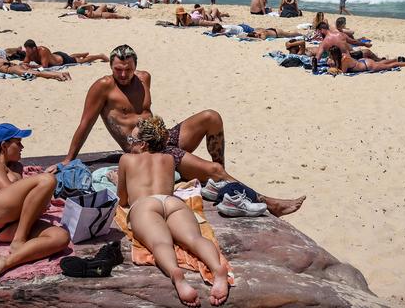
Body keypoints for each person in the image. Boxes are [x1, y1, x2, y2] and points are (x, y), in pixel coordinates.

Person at [49, 45, 305, 217]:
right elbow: (85, 124)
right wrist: (68, 159)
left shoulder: (144, 78)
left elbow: (146, 113)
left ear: (136, 66)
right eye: (118, 69)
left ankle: (215, 184)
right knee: (215, 171)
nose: (124, 74)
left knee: (211, 117)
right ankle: (268, 202)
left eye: (128, 69)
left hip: (163, 138)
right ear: (111, 67)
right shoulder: (102, 88)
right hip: (144, 150)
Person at [113, 116, 229, 307]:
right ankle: (218, 269)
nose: (129, 145)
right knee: (194, 239)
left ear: (142, 145)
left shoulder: (126, 159)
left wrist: (116, 179)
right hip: (172, 203)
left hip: (145, 206)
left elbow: (123, 199)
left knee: (160, 243)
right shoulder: (168, 159)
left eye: (132, 141)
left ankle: (177, 275)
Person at [0, 123, 70, 281]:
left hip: (7, 227)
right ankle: (19, 240)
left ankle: (6, 262)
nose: (22, 147)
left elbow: (21, 198)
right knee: (47, 180)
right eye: (18, 143)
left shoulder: (17, 167)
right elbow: (8, 192)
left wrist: (39, 199)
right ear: (4, 145)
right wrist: (40, 196)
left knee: (61, 237)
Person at [0, 44, 72, 80]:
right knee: (36, 72)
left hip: (12, 69)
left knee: (36, 73)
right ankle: (59, 74)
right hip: (14, 66)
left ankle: (59, 74)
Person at [314, 22, 378, 62]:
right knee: (367, 52)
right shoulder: (340, 34)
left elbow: (317, 58)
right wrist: (365, 44)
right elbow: (354, 41)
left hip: (337, 62)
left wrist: (313, 62)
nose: (318, 34)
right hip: (349, 59)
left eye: (318, 32)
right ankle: (379, 60)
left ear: (321, 30)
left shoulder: (323, 43)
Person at [327, 46, 405, 74]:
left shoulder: (344, 59)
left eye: (330, 55)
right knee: (382, 62)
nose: (329, 56)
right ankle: (396, 59)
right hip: (363, 61)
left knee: (388, 66)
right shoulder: (342, 56)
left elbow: (343, 72)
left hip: (367, 66)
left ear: (334, 55)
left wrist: (331, 69)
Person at [20, 39, 108, 67]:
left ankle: (99, 56)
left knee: (81, 61)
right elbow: (25, 62)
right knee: (72, 57)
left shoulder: (42, 51)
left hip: (62, 60)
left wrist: (31, 66)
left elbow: (44, 67)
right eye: (26, 50)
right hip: (56, 55)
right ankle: (81, 54)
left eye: (28, 50)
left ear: (34, 48)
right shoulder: (29, 52)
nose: (26, 52)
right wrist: (24, 65)